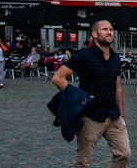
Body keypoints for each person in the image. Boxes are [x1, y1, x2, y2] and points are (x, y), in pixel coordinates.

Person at [51, 20, 131, 168]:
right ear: (94, 34)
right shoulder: (83, 56)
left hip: (113, 115)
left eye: (111, 29)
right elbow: (58, 78)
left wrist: (121, 114)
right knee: (83, 161)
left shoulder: (115, 58)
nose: (109, 32)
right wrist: (78, 95)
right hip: (90, 116)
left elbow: (117, 87)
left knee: (124, 154)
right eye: (104, 29)